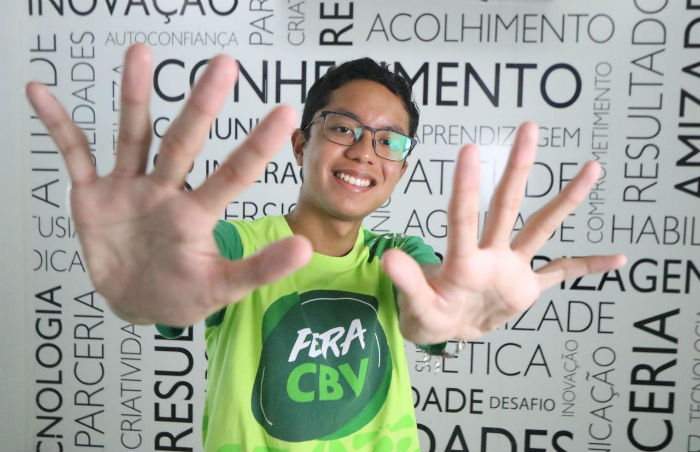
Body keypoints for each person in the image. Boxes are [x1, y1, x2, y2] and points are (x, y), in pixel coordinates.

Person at [26, 44, 626, 452]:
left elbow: (430, 303)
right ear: (300, 144)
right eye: (343, 128)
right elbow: (185, 276)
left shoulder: (397, 257)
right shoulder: (237, 246)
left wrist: (444, 317)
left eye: (389, 141)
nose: (365, 151)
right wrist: (150, 283)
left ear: (401, 168)